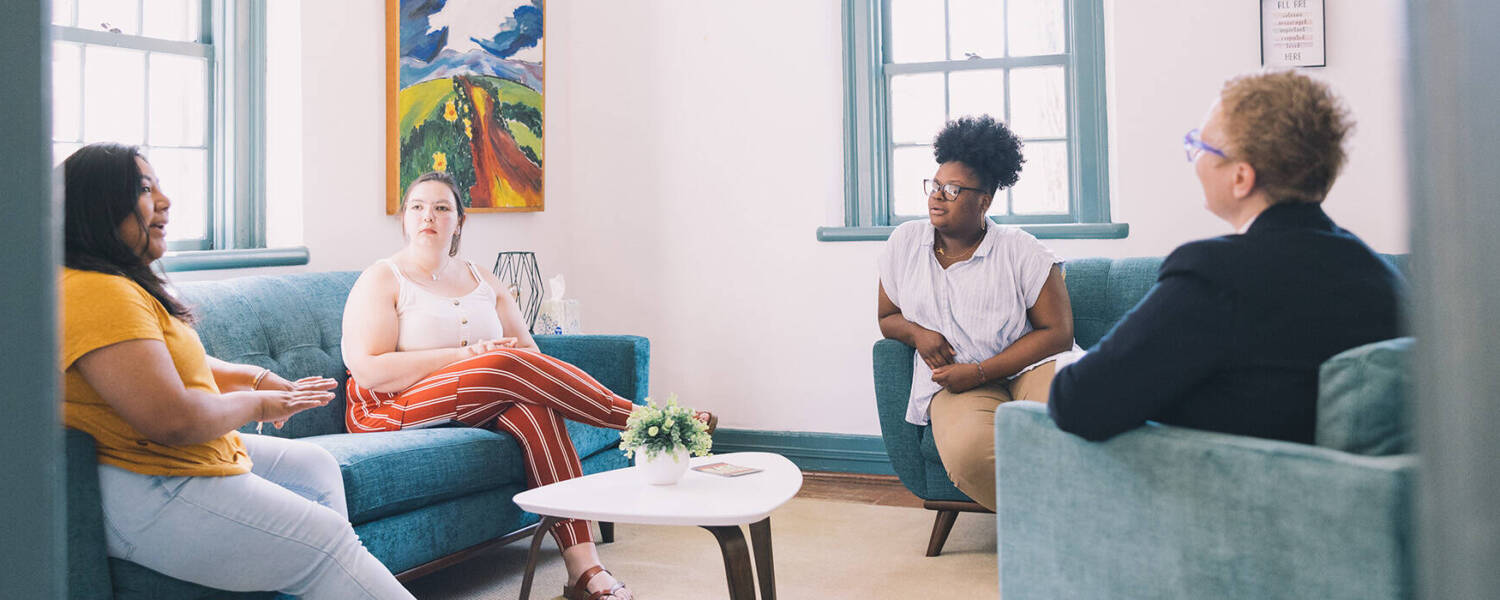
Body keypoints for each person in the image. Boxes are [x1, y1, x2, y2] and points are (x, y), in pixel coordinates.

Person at [60, 143, 415, 599]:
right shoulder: (97, 292)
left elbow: (168, 362)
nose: (165, 201)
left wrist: (256, 378)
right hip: (150, 478)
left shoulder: (115, 284)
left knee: (315, 466)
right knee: (328, 543)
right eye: (145, 189)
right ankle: (327, 569)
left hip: (161, 460)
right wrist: (260, 403)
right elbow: (175, 420)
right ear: (96, 207)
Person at [341, 171, 714, 600]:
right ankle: (645, 420)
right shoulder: (384, 278)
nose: (429, 216)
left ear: (459, 221)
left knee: (535, 409)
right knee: (500, 363)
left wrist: (490, 364)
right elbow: (369, 370)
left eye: (442, 207)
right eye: (417, 207)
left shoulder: (483, 279)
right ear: (404, 219)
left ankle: (585, 573)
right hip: (387, 407)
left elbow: (529, 356)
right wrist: (468, 358)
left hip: (470, 399)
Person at [1048, 71, 1405, 443]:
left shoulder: (1215, 275)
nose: (1195, 158)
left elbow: (1078, 402)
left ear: (1241, 178)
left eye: (1201, 146)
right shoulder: (1381, 276)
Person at [876, 115, 1077, 511]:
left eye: (952, 190)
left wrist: (983, 371)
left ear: (984, 200)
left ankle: (1081, 521)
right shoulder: (904, 243)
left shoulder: (1022, 250)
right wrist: (918, 334)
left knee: (1077, 411)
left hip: (1029, 367)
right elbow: (887, 317)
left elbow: (1058, 333)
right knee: (969, 455)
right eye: (934, 186)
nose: (937, 196)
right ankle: (1060, 519)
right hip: (955, 380)